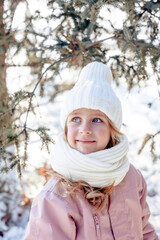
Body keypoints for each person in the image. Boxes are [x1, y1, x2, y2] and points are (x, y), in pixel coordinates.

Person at [24, 62, 158, 240]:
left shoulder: (130, 177)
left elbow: (144, 231)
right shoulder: (56, 197)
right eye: (76, 119)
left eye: (96, 120)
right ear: (65, 127)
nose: (84, 129)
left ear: (113, 130)